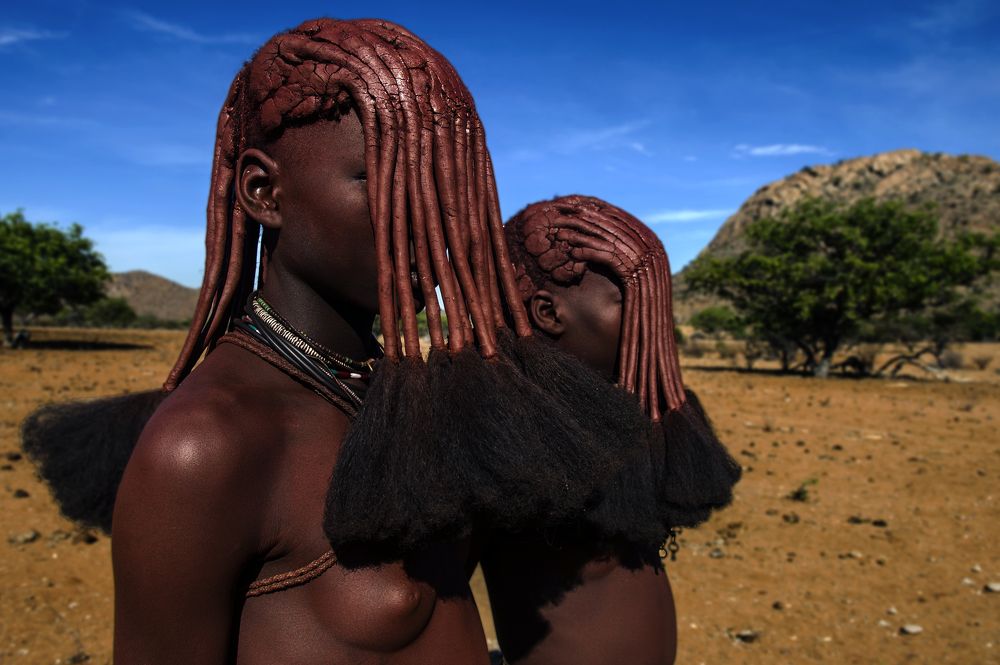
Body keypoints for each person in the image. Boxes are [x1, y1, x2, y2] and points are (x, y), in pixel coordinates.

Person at [22, 19, 658, 665]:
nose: (429, 223)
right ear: (263, 192)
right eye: (385, 183)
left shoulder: (405, 399)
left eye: (443, 191)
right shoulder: (207, 448)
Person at [481, 195, 742, 665]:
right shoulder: (511, 431)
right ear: (548, 313)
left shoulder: (630, 409)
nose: (656, 322)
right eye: (630, 301)